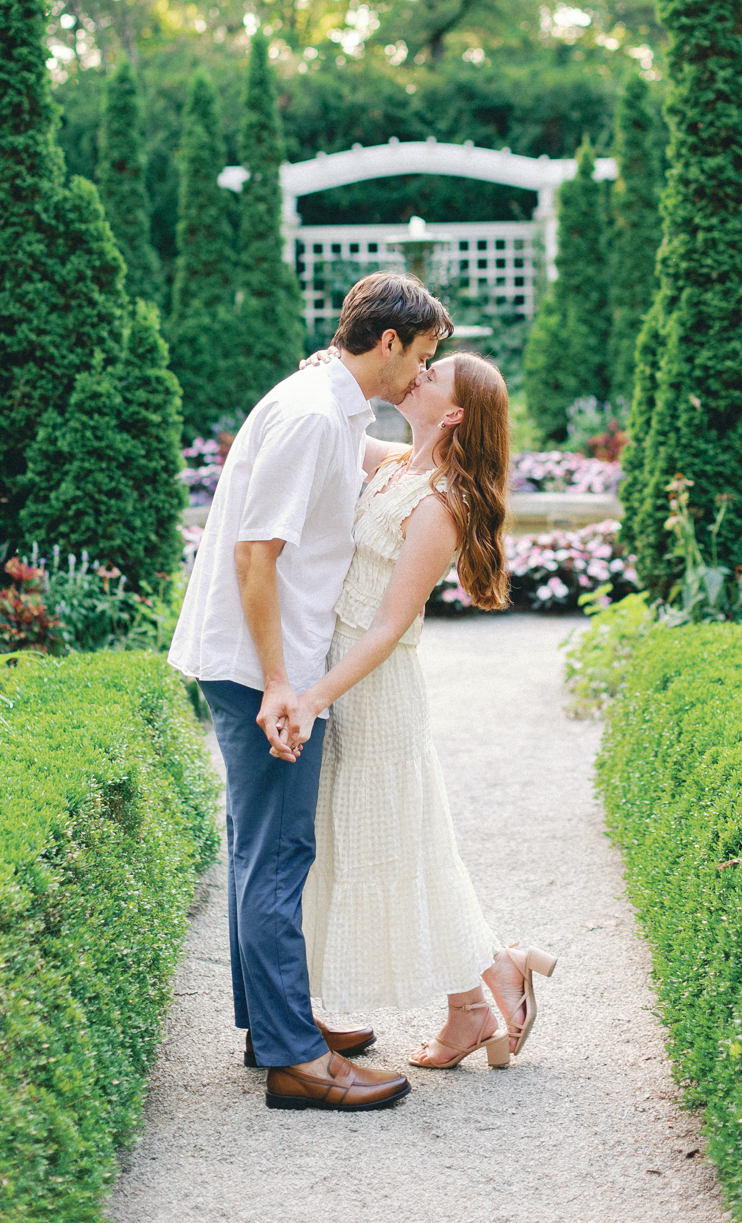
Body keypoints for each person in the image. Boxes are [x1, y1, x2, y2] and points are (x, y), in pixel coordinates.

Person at [167, 272, 452, 1113]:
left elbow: (386, 466)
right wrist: (282, 683)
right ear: (390, 341)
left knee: (260, 845)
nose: (422, 376)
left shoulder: (334, 405)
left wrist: (449, 446)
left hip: (263, 660)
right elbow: (257, 556)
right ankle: (295, 1061)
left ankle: (276, 1027)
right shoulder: (312, 413)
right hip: (265, 666)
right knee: (278, 852)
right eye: (423, 357)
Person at [287, 348, 557, 1070]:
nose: (418, 374)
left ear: (456, 412)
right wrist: (329, 370)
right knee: (403, 845)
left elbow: (385, 627)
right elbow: (343, 430)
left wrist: (315, 694)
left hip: (374, 690)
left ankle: (489, 982)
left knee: (400, 848)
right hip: (345, 677)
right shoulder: (400, 462)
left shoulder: (439, 504)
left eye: (433, 375)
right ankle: (480, 994)